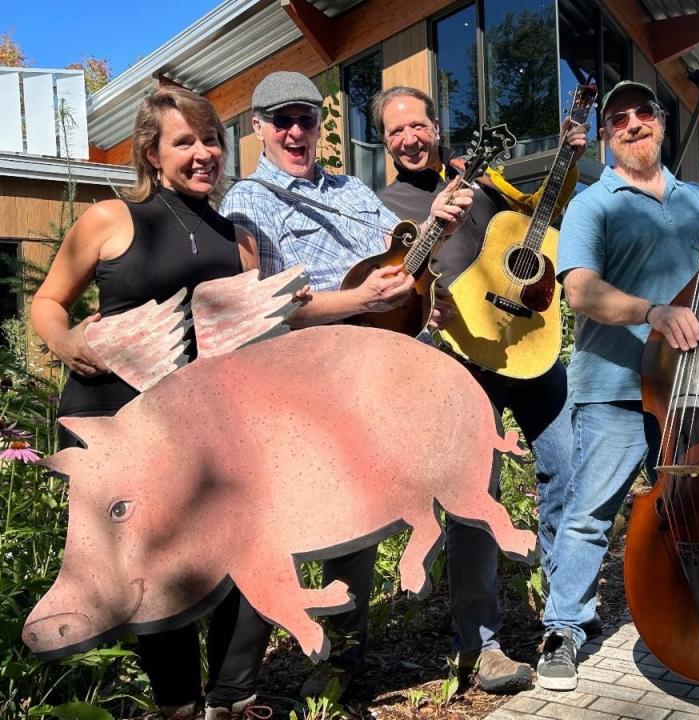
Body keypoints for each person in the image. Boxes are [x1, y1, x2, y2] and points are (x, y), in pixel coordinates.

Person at [219, 71, 472, 698]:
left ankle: (340, 665)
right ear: (258, 129)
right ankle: (235, 691)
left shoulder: (356, 189)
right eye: (282, 121)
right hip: (303, 390)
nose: (296, 131)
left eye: (305, 117)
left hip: (377, 379)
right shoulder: (245, 202)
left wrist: (421, 301)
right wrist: (355, 299)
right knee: (274, 528)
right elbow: (259, 305)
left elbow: (395, 265)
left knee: (356, 525)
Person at [31, 87, 269, 719]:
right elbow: (47, 303)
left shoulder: (239, 240)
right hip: (115, 423)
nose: (203, 154)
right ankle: (178, 707)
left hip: (203, 427)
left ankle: (230, 697)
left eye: (211, 139)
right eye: (184, 142)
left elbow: (251, 334)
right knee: (154, 576)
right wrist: (67, 338)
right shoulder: (110, 219)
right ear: (151, 152)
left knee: (243, 561)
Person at [538, 80, 699, 691]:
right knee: (590, 513)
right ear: (606, 139)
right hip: (617, 387)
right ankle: (564, 628)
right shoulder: (594, 204)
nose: (632, 123)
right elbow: (580, 290)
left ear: (661, 123)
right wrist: (652, 311)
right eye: (617, 119)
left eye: (642, 112)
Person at [371, 85, 587, 694]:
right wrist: (430, 231)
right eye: (395, 131)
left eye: (418, 125)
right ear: (386, 141)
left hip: (528, 345)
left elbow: (540, 220)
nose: (409, 139)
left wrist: (568, 157)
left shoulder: (483, 181)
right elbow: (389, 284)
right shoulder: (382, 204)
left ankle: (562, 621)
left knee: (568, 472)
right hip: (460, 359)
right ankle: (483, 644)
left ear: (437, 127)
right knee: (476, 498)